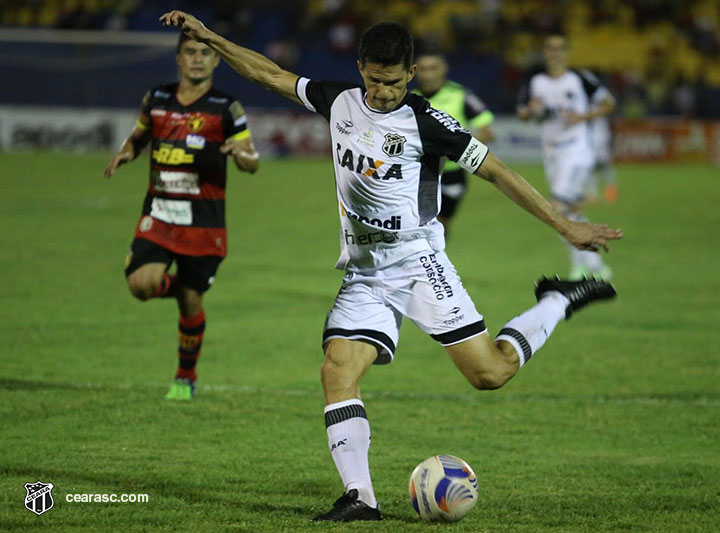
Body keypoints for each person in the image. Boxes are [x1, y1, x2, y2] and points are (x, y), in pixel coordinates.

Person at [159, 10, 622, 521]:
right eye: (374, 81)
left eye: (393, 82)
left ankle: (557, 299)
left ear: (411, 73)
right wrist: (211, 37)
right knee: (337, 370)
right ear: (361, 68)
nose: (382, 92)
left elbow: (497, 171)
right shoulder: (340, 101)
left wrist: (565, 226)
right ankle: (361, 498)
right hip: (364, 273)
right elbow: (268, 74)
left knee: (489, 374)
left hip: (418, 263)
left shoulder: (427, 121)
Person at [104, 32, 259, 401]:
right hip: (159, 213)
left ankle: (184, 377)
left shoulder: (226, 107)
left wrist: (241, 154)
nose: (197, 59)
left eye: (205, 53)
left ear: (217, 60)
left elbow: (252, 161)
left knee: (191, 303)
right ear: (178, 58)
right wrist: (127, 152)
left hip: (204, 222)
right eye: (190, 52)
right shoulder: (156, 98)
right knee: (140, 284)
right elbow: (140, 136)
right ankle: (182, 288)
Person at [517, 33, 616, 280]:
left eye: (559, 48)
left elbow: (608, 103)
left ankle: (587, 265)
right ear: (545, 52)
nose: (554, 53)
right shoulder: (536, 81)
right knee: (567, 210)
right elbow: (522, 113)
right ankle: (590, 265)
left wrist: (582, 117)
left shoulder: (580, 78)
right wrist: (531, 110)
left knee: (558, 207)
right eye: (550, 48)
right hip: (551, 151)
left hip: (577, 149)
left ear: (567, 52)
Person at [413, 50, 495, 236]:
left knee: (441, 225)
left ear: (444, 69)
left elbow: (487, 132)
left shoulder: (461, 95)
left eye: (433, 68)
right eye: (423, 69)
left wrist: (452, 147)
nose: (428, 74)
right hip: (420, 174)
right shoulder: (409, 100)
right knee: (420, 226)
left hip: (452, 174)